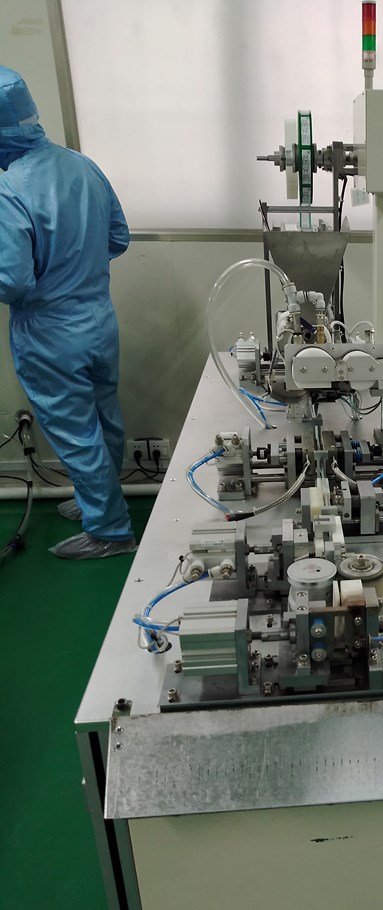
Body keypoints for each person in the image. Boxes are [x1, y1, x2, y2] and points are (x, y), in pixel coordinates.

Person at [0, 65, 136, 559]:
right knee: (104, 418)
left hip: (50, 332)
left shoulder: (10, 188)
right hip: (99, 318)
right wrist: (79, 266)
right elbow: (118, 237)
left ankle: (110, 531)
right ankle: (98, 500)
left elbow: (12, 280)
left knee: (76, 433)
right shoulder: (82, 165)